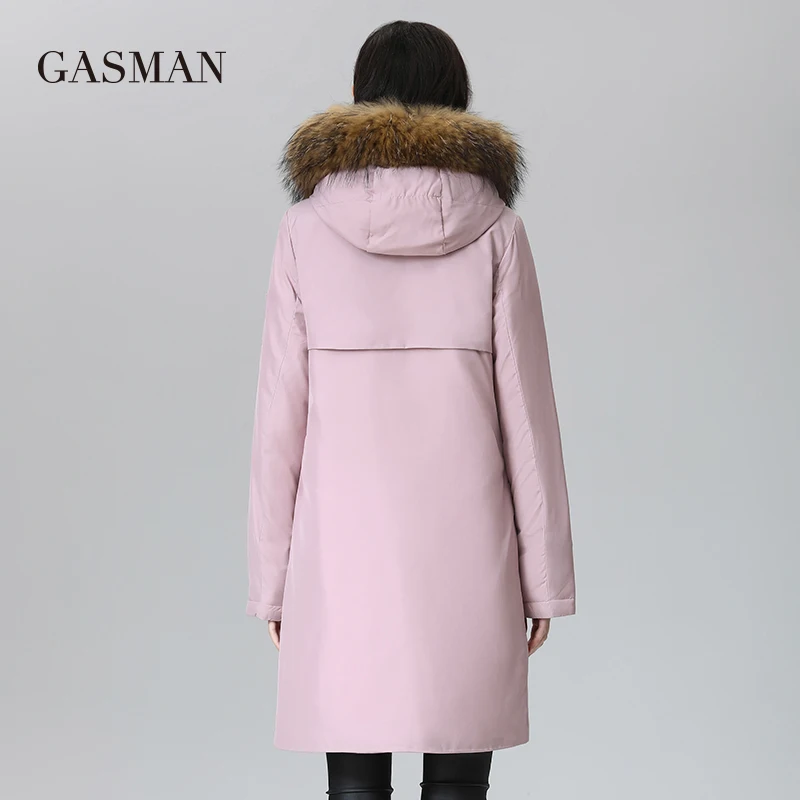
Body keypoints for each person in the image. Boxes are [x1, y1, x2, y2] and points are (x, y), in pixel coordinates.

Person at [245, 19, 577, 800]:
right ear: (457, 100)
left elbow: (278, 421)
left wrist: (272, 582)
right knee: (460, 781)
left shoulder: (303, 231)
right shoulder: (499, 231)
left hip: (337, 550)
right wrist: (544, 581)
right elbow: (529, 420)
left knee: (353, 785)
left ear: (359, 98)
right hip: (470, 547)